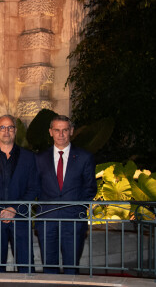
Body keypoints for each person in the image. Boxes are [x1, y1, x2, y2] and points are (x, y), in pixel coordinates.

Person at [0, 115, 40, 273]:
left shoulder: (29, 157)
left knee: (26, 266)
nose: (6, 131)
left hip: (20, 219)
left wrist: (14, 209)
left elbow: (33, 188)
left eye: (10, 127)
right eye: (2, 128)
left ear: (15, 130)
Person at [36, 115, 97, 274]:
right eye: (57, 130)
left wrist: (77, 209)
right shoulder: (39, 158)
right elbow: (34, 187)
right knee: (49, 268)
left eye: (64, 130)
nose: (61, 134)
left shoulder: (85, 157)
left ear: (71, 131)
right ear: (50, 132)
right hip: (47, 220)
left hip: (73, 220)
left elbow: (90, 188)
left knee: (72, 268)